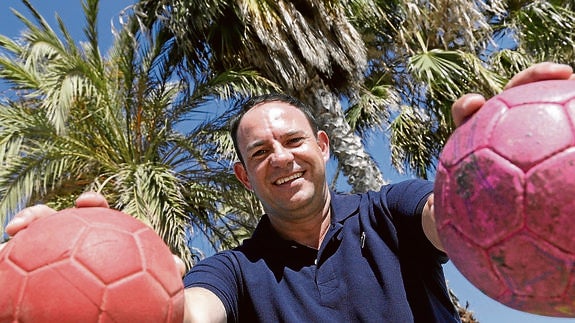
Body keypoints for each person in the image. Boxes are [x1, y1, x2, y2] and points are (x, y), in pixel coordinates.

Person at [2, 62, 574, 323]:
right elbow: (196, 311)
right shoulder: (233, 269)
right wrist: (145, 297)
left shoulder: (388, 212)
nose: (281, 156)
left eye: (293, 139)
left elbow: (446, 216)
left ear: (323, 146)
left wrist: (494, 181)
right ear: (244, 178)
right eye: (259, 152)